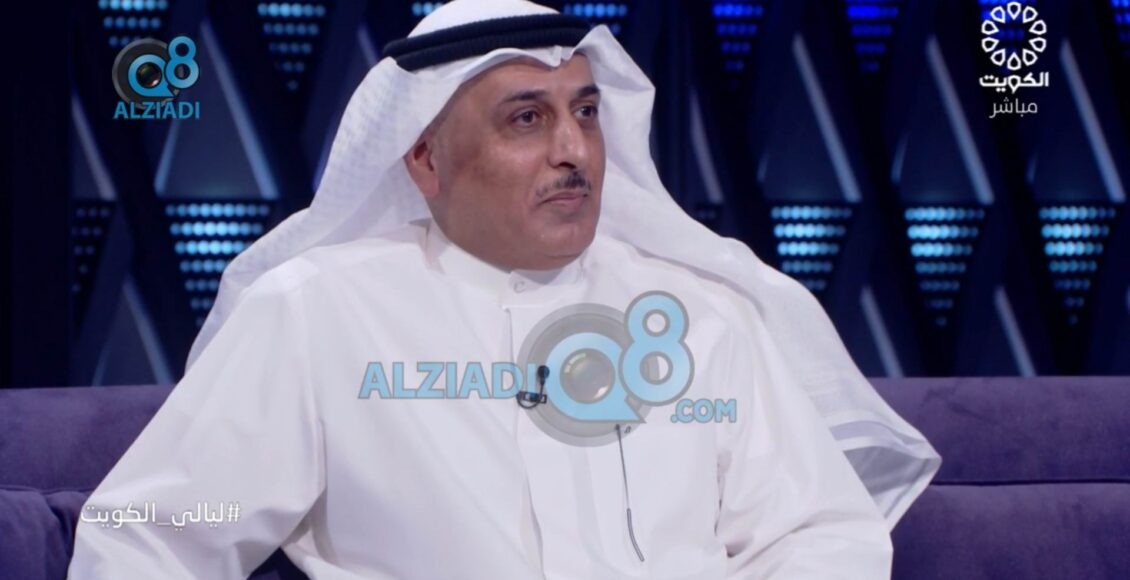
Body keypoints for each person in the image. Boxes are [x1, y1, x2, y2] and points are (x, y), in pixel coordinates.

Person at [68, 1, 940, 578]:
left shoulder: (700, 314)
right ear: (424, 160)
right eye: (528, 118)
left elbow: (816, 531)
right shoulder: (319, 313)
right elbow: (154, 534)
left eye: (586, 112)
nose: (574, 150)